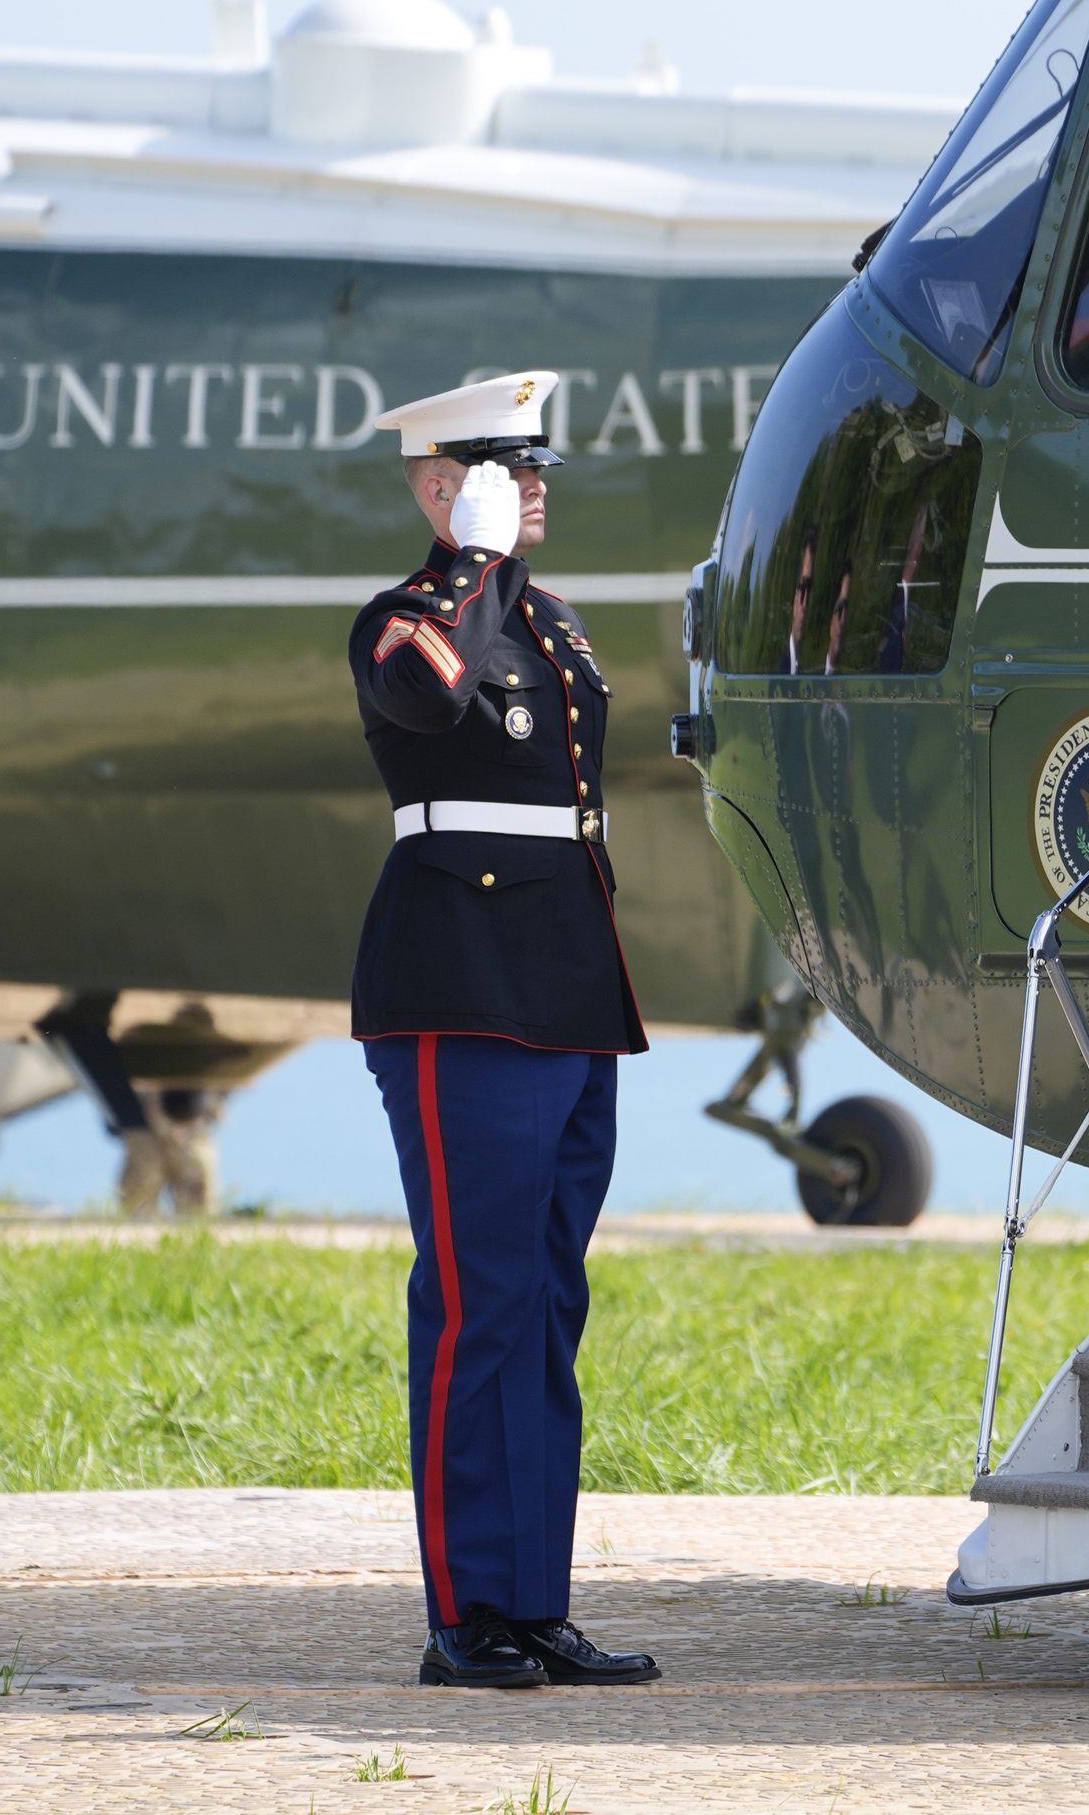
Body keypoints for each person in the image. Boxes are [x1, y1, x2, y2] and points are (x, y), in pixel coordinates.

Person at [349, 372, 660, 1692]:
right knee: (478, 1303)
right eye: (498, 467)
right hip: (459, 985)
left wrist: (497, 573)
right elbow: (428, 701)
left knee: (543, 1304)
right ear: (438, 485)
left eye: (533, 467)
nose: (530, 484)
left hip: (566, 986)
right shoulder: (406, 620)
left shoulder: (551, 620)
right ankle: (465, 1612)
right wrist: (470, 559)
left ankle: (534, 1602)